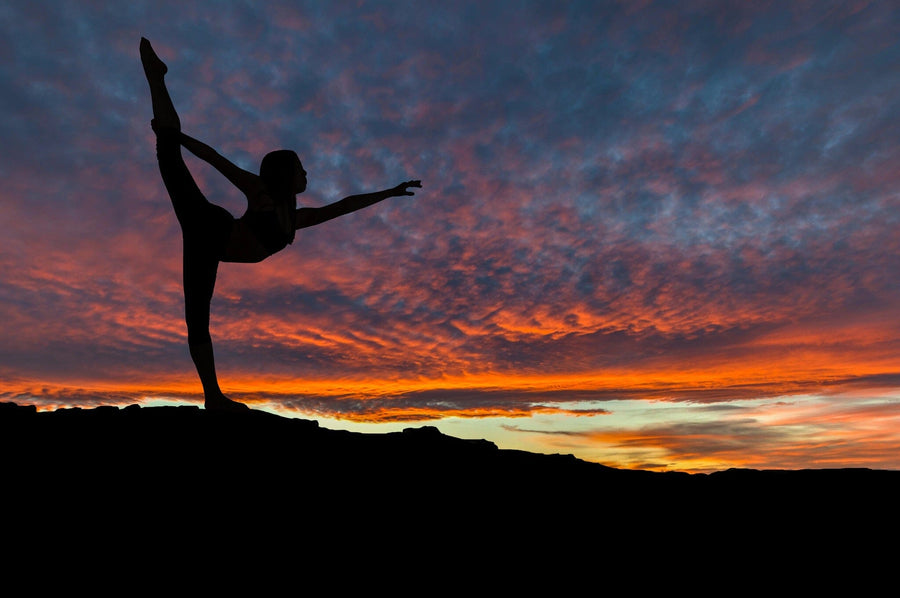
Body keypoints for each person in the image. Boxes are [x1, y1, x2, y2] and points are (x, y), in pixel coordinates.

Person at [139, 37, 421, 411]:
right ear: (286, 175)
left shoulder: (296, 220)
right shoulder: (261, 194)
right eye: (301, 169)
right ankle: (157, 80)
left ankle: (213, 398)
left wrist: (390, 192)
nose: (306, 174)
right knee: (169, 153)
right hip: (206, 228)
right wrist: (178, 136)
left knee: (198, 321)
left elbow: (345, 205)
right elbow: (217, 160)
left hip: (213, 243)